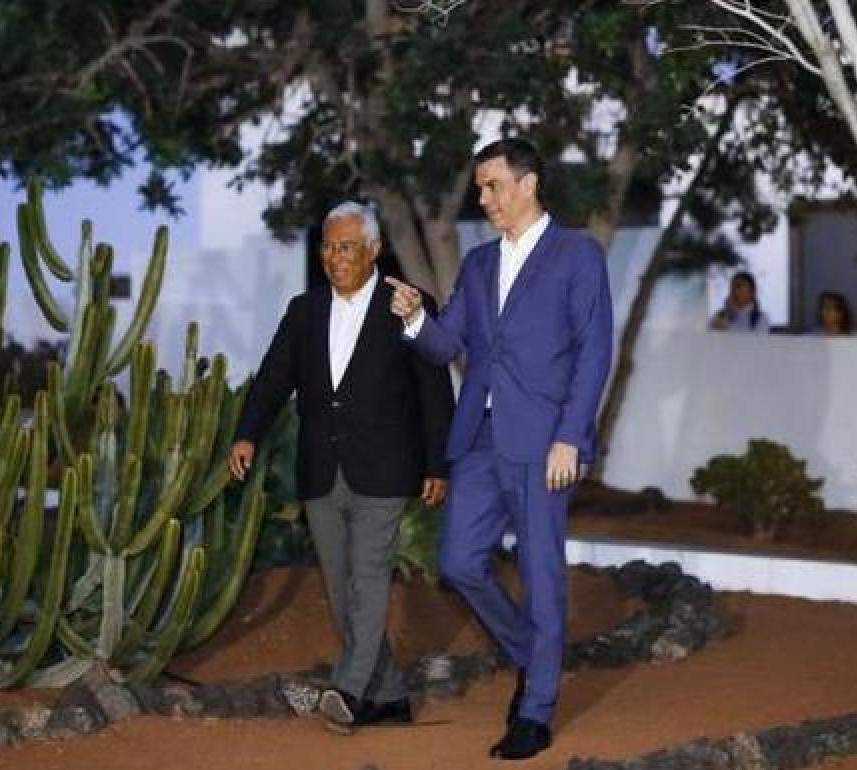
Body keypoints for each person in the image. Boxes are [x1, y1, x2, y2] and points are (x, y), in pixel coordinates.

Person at [385, 138, 613, 761]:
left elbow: (595, 352)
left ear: (529, 183)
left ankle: (535, 711)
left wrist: (571, 435)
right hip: (480, 438)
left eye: (492, 185)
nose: (482, 198)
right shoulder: (481, 265)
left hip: (544, 442)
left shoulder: (577, 255)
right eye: (479, 188)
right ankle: (533, 657)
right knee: (458, 561)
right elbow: (445, 344)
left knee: (541, 575)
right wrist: (412, 319)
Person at [228, 201, 454, 736]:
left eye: (347, 246)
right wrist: (247, 433)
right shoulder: (303, 311)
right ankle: (392, 697)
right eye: (328, 246)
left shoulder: (406, 306)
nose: (335, 257)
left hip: (385, 468)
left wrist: (438, 463)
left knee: (369, 577)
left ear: (374, 249)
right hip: (321, 470)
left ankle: (349, 689)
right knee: (338, 585)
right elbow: (272, 376)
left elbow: (434, 391)